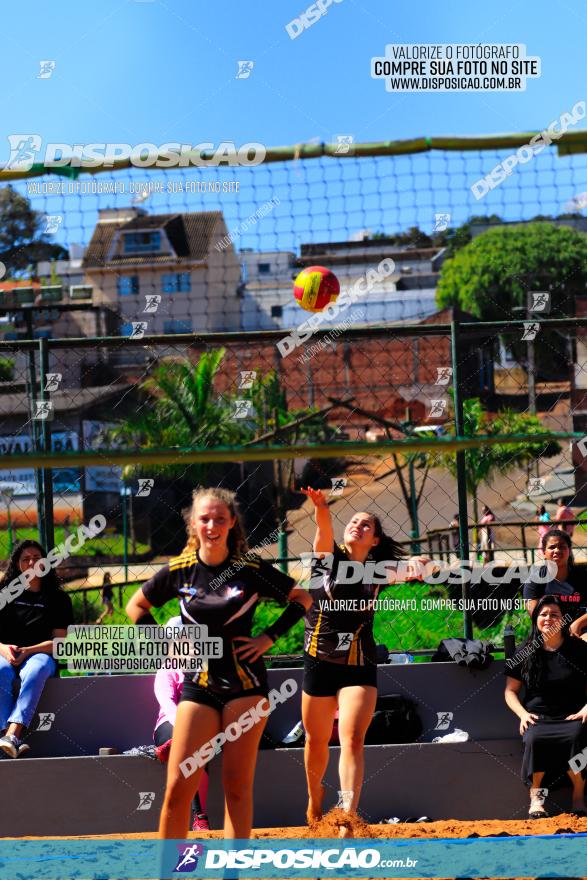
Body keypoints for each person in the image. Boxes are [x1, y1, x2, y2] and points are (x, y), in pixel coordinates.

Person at [125, 487, 309, 840]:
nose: (212, 525)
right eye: (205, 518)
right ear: (194, 523)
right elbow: (136, 608)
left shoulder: (250, 568)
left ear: (232, 523)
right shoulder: (179, 570)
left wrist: (268, 637)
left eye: (220, 519)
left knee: (237, 788)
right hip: (200, 686)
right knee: (178, 787)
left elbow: (302, 597)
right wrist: (169, 643)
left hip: (246, 688)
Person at [300, 486, 427, 836]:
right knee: (315, 741)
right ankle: (315, 799)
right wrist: (322, 507)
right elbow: (322, 534)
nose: (357, 525)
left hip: (358, 663)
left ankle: (347, 817)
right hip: (318, 659)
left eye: (366, 525)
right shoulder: (327, 558)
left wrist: (422, 566)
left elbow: (416, 568)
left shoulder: (377, 571)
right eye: (354, 521)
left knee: (352, 738)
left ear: (375, 540)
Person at [504, 596, 587, 817]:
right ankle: (536, 801)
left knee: (576, 737)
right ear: (536, 619)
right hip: (538, 717)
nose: (548, 619)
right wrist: (522, 715)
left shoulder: (579, 650)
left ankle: (578, 797)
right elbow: (510, 691)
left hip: (573, 717)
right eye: (543, 614)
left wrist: (586, 709)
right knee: (534, 738)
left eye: (554, 615)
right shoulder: (525, 650)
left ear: (563, 620)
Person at [0, 540, 73, 758]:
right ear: (17, 564)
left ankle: (14, 732)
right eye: (26, 558)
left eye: (37, 557)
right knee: (1, 671)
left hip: (40, 654)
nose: (32, 562)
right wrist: (3, 649)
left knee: (36, 670)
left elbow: (61, 642)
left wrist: (29, 650)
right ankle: (6, 737)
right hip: (5, 652)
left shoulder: (59, 599)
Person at [153, 617, 209, 831]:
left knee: (196, 746)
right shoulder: (167, 669)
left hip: (200, 728)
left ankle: (174, 746)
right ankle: (200, 817)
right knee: (189, 744)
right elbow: (166, 703)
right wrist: (185, 729)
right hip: (169, 723)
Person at [522, 529, 587, 622]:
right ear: (544, 551)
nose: (557, 550)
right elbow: (536, 617)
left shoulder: (583, 577)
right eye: (552, 547)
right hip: (548, 631)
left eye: (562, 547)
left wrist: (578, 624)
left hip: (578, 631)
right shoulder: (534, 580)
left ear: (569, 550)